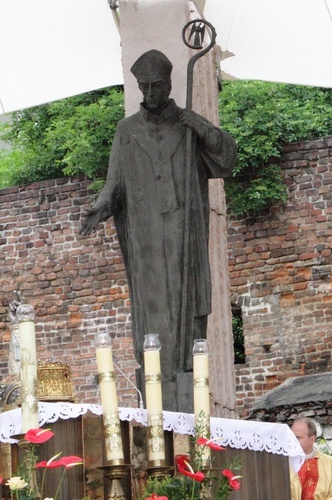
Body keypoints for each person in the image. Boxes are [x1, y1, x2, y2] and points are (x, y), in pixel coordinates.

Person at [80, 49, 237, 412]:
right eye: (144, 86)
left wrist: (195, 123)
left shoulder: (187, 127)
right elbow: (114, 183)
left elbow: (226, 159)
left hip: (184, 237)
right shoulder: (127, 131)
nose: (150, 93)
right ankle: (159, 380)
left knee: (188, 306)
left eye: (156, 86)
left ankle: (185, 375)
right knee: (153, 313)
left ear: (168, 84)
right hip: (147, 238)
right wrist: (100, 208)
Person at [290, 417, 332, 500]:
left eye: (298, 437)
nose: (292, 441)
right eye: (291, 437)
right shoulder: (285, 464)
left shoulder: (330, 464)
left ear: (312, 439)